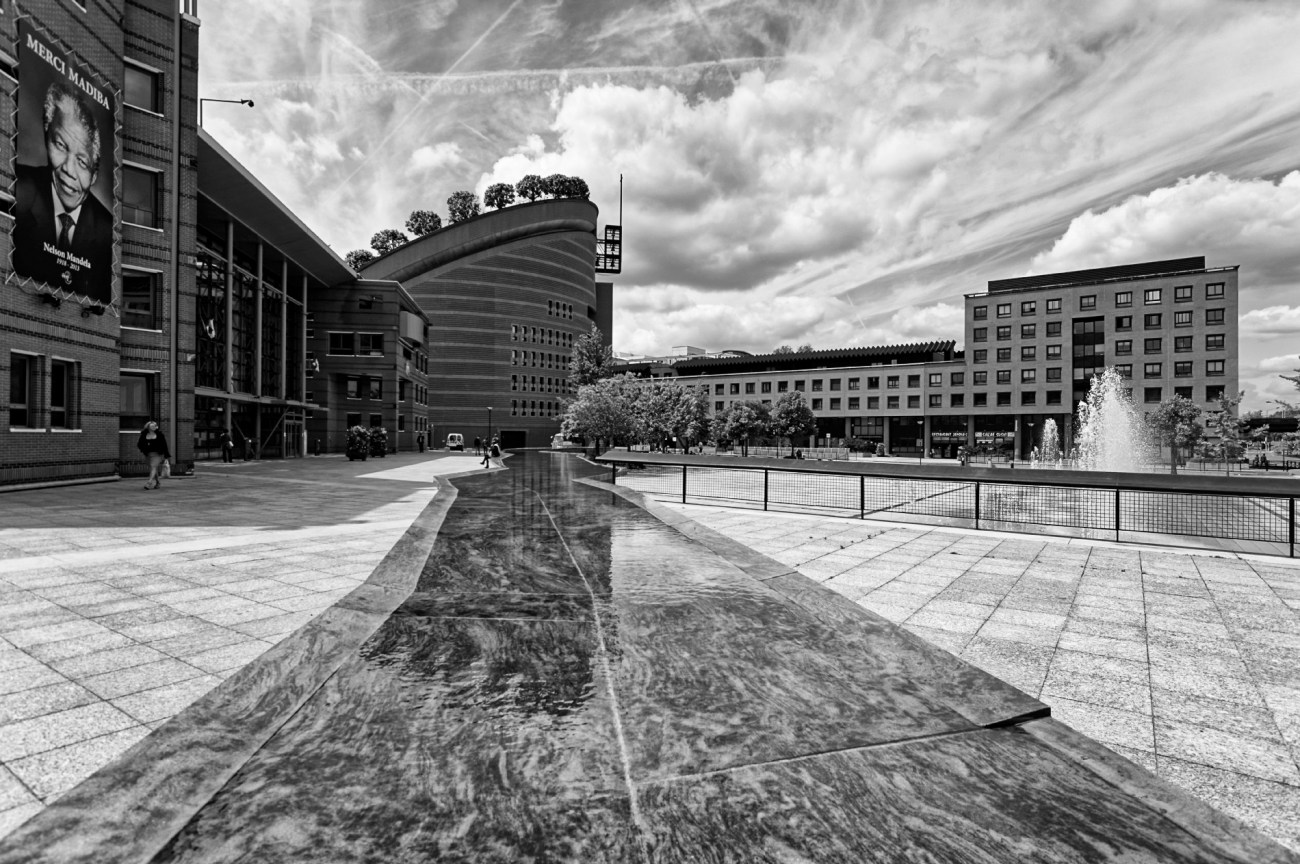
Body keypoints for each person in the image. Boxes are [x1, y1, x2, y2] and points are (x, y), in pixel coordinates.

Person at [13, 81, 113, 304]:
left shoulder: (107, 234)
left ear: (94, 176)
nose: (68, 169)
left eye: (82, 162)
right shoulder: (17, 190)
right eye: (60, 145)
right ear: (46, 137)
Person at [137, 420, 171, 490]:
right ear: (148, 427)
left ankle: (149, 483)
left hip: (157, 454)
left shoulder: (160, 435)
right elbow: (139, 444)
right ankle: (158, 482)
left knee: (153, 466)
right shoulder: (144, 435)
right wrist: (144, 449)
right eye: (152, 426)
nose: (154, 427)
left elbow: (164, 445)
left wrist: (166, 455)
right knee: (154, 468)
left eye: (155, 425)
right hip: (148, 454)